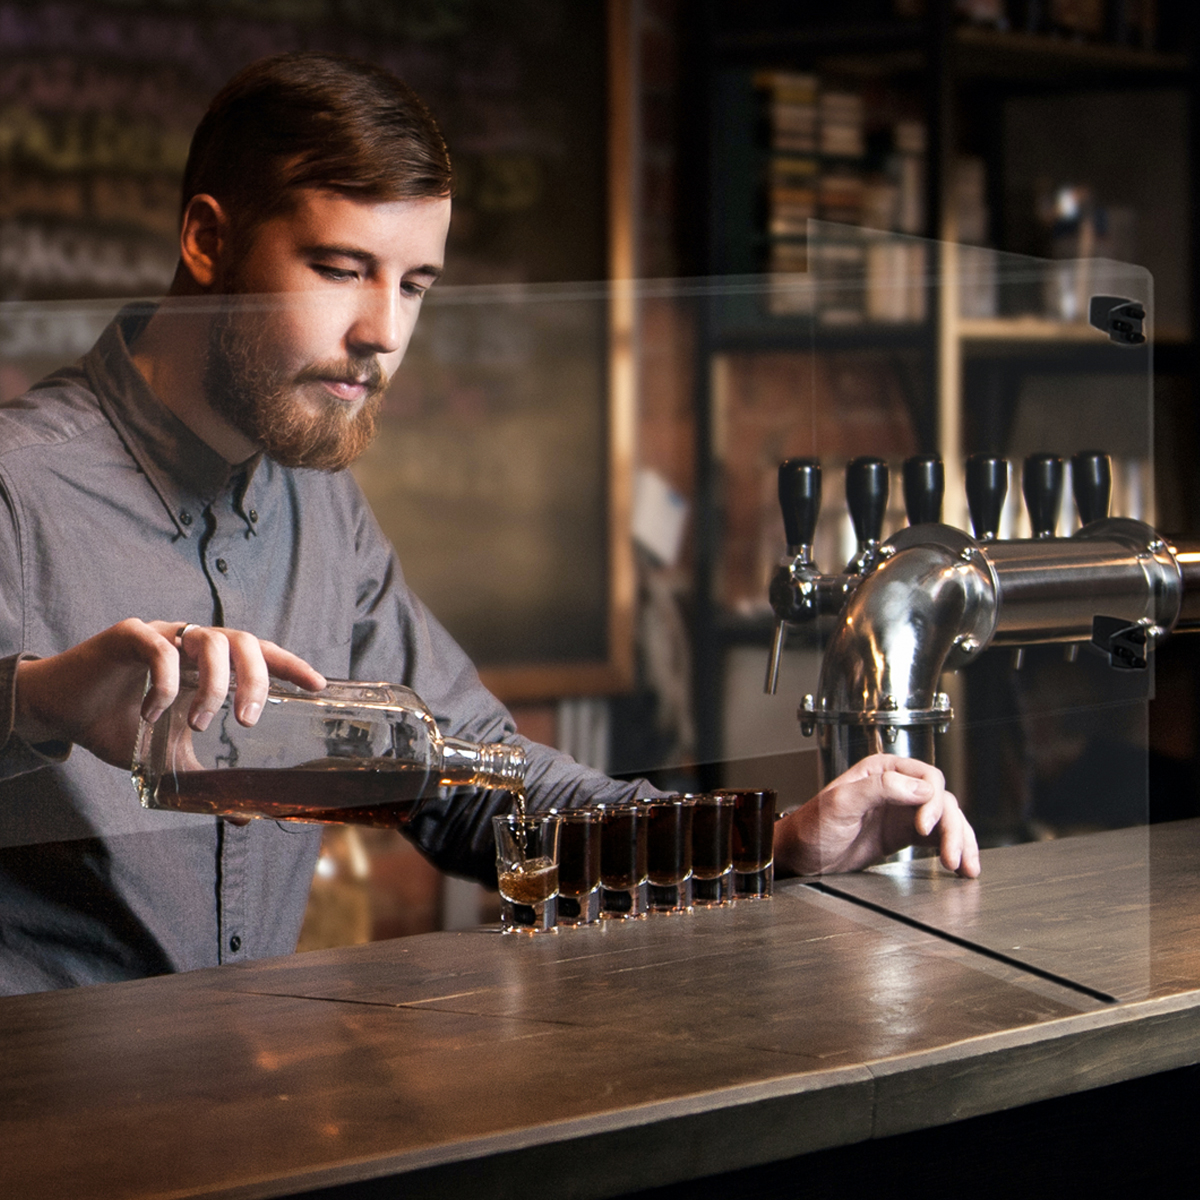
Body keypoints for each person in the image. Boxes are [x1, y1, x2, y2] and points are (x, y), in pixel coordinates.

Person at [0, 52, 978, 995]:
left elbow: (493, 794)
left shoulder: (319, 506)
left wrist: (776, 842)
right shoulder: (17, 485)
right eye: (340, 268)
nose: (383, 331)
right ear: (208, 241)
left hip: (241, 1122)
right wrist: (38, 703)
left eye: (414, 284)